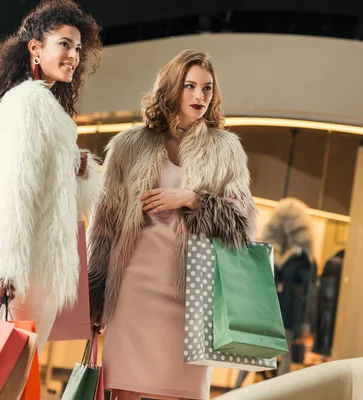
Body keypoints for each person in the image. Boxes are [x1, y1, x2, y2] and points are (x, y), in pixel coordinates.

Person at [88, 50, 257, 400]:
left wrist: (192, 200)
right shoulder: (128, 146)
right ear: (171, 88)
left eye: (207, 89)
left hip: (192, 296)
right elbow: (103, 226)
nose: (200, 97)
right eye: (190, 86)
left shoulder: (226, 150)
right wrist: (95, 294)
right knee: (125, 390)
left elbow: (242, 225)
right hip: (134, 289)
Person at [0, 0, 103, 354]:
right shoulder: (30, 103)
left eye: (78, 48)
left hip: (31, 267)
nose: (74, 56)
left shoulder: (40, 104)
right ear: (35, 47)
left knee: (6, 375)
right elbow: (13, 188)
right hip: (21, 271)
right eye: (64, 44)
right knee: (3, 375)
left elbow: (49, 197)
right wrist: (3, 268)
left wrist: (75, 172)